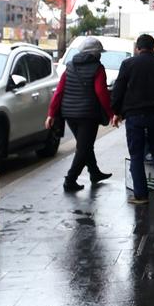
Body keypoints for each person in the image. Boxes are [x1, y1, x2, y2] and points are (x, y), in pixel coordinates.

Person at [111, 34, 154, 204]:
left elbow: (118, 90)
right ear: (153, 48)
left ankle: (141, 195)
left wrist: (116, 112)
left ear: (137, 48)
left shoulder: (127, 64)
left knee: (136, 154)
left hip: (134, 116)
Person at [45, 36, 113, 192]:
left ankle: (94, 173)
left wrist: (51, 113)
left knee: (85, 145)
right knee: (83, 148)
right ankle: (70, 180)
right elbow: (101, 92)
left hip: (69, 114)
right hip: (88, 115)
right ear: (95, 53)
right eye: (99, 53)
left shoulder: (70, 66)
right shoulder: (97, 68)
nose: (100, 55)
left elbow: (59, 92)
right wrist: (110, 113)